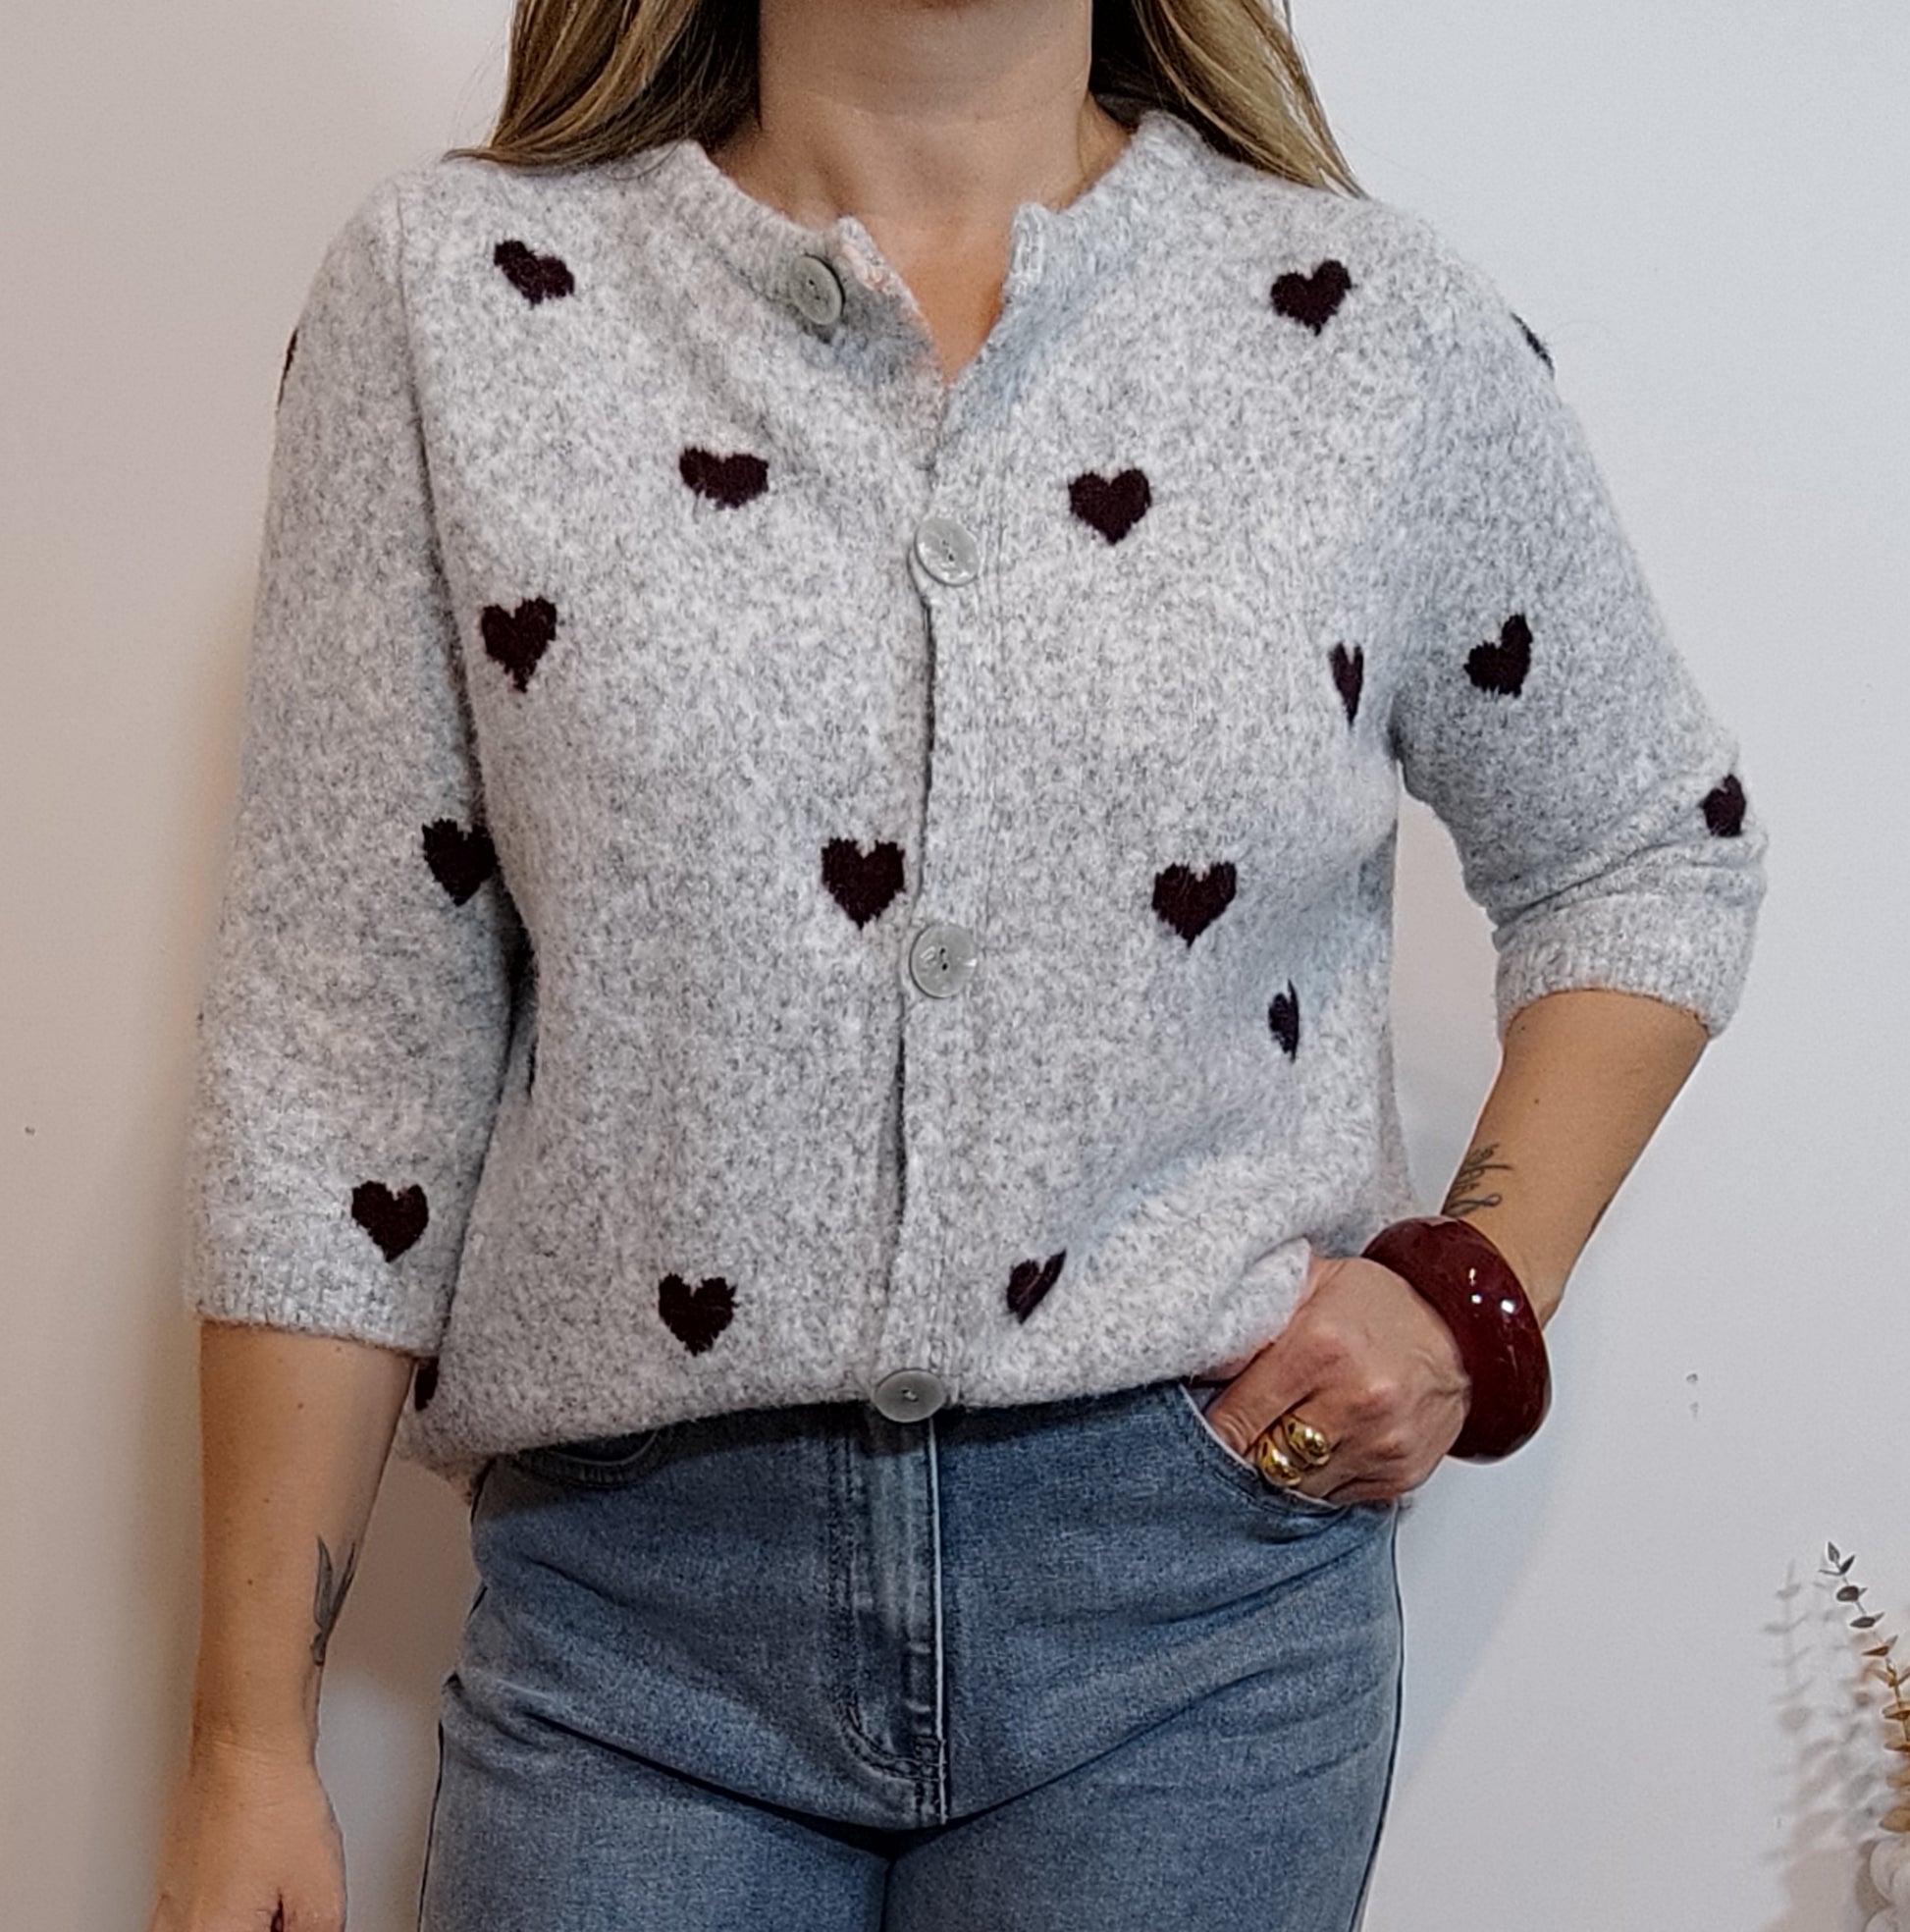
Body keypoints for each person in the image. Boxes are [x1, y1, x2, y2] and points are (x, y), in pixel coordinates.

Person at [150, 1, 1769, 1928]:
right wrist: (244, 1743)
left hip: (1192, 1620)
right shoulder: (458, 300)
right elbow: (343, 1045)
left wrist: (1464, 1294)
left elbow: (1643, 847)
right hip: (636, 1637)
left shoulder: (1367, 328)